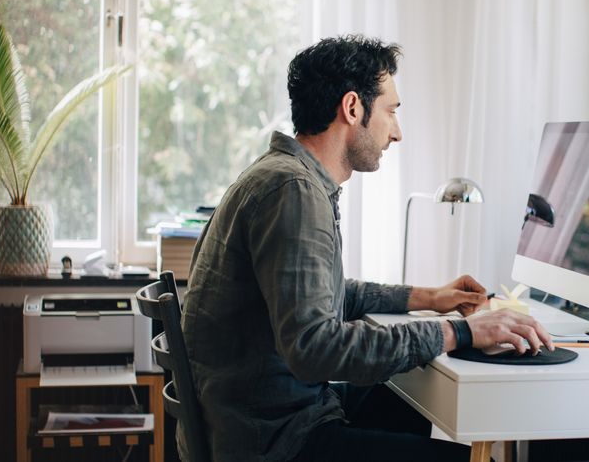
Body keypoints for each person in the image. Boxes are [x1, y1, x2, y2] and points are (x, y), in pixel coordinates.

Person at [181, 34, 554, 462]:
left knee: (409, 396)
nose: (396, 132)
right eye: (392, 112)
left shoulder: (282, 177)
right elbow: (316, 347)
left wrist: (429, 298)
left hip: (263, 416)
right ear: (353, 107)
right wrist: (462, 332)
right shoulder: (293, 191)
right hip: (276, 441)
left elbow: (330, 293)